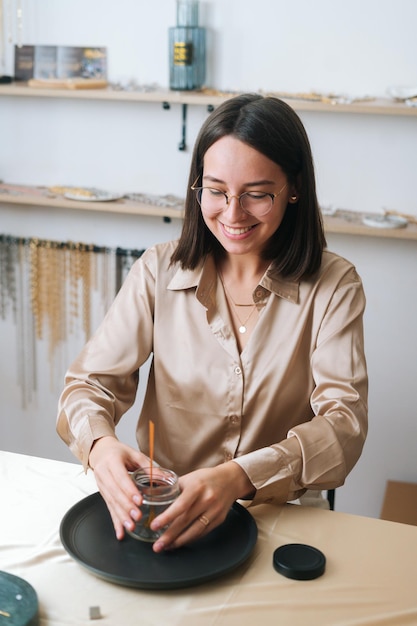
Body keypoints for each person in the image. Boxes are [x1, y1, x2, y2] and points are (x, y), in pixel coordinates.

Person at [57, 93, 368, 553]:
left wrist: (240, 478)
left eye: (258, 194)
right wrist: (100, 446)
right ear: (198, 186)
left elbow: (344, 424)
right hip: (162, 511)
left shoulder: (334, 285)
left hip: (279, 520)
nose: (233, 213)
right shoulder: (158, 271)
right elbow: (86, 387)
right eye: (217, 191)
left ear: (294, 188)